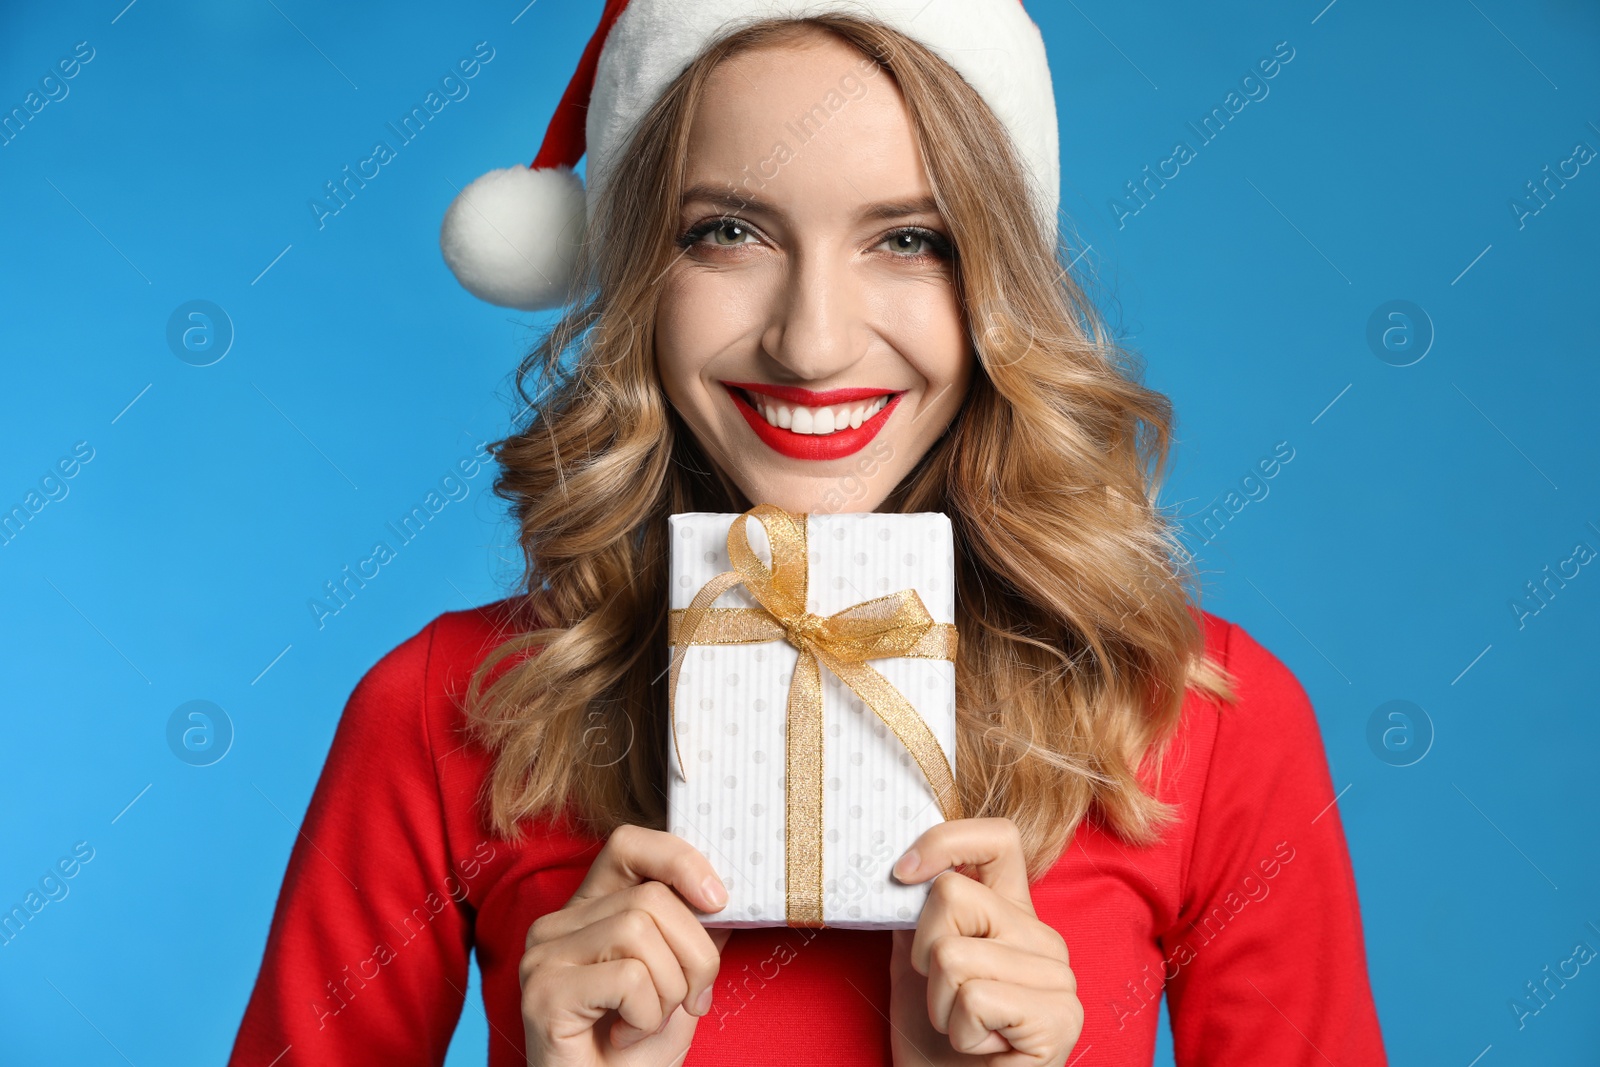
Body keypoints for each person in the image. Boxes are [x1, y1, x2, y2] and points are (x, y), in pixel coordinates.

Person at [228, 2, 1388, 1065]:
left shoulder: (1203, 717)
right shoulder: (442, 711)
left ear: (996, 282)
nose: (813, 343)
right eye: (728, 231)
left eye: (908, 238)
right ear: (637, 271)